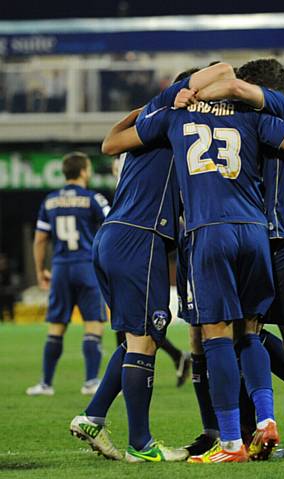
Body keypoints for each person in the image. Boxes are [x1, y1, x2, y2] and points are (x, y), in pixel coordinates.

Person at [106, 65, 284, 463]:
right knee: (251, 333)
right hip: (254, 231)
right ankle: (265, 420)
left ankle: (230, 443)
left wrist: (151, 106)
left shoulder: (175, 114)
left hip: (208, 231)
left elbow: (112, 144)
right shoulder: (253, 116)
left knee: (216, 336)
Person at [69, 64, 234, 463]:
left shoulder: (160, 117)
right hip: (140, 238)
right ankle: (141, 444)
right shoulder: (176, 113)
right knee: (145, 338)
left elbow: (109, 144)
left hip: (114, 236)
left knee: (134, 338)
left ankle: (93, 416)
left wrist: (151, 105)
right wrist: (191, 90)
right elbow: (225, 69)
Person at [27, 152, 109, 397]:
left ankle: (46, 384)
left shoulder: (50, 201)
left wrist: (41, 269)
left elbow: (40, 239)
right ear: (84, 171)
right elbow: (112, 227)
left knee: (56, 326)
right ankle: (91, 381)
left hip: (61, 266)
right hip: (87, 266)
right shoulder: (94, 198)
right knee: (93, 323)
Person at [110, 156, 191, 388]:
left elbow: (110, 145)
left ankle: (116, 391)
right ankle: (176, 357)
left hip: (148, 237)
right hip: (141, 236)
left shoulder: (143, 166)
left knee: (141, 324)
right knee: (131, 323)